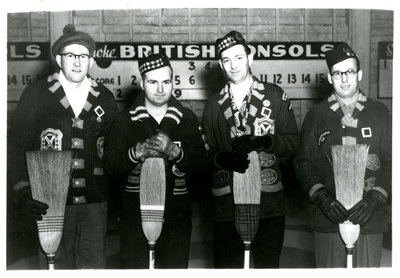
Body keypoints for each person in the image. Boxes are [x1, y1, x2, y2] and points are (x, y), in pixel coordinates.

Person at [8, 24, 119, 269]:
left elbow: (113, 153)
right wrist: (23, 191)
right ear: (59, 59)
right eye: (71, 55)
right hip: (50, 202)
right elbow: (16, 148)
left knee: (93, 269)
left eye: (83, 56)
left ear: (91, 61)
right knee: (54, 268)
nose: (77, 62)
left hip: (94, 205)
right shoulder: (36, 94)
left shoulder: (105, 97)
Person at [202, 30, 299, 268]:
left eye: (238, 57)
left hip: (269, 201)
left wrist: (266, 141)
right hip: (227, 203)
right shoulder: (214, 105)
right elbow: (203, 154)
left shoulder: (275, 96)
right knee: (227, 267)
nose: (233, 65)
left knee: (268, 266)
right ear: (221, 65)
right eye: (226, 60)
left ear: (250, 57)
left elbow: (293, 142)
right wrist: (220, 158)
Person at [103, 52, 208, 269]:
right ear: (142, 83)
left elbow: (202, 167)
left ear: (173, 82)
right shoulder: (124, 120)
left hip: (176, 214)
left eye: (166, 81)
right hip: (134, 214)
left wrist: (175, 152)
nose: (160, 89)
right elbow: (110, 169)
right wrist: (135, 154)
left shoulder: (186, 118)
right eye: (153, 82)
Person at [294, 43, 391, 267]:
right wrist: (321, 196)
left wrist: (376, 197)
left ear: (360, 74)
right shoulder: (316, 115)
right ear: (330, 78)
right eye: (338, 73)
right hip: (328, 218)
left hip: (369, 218)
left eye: (349, 72)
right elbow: (302, 163)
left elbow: (392, 162)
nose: (344, 79)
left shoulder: (380, 113)